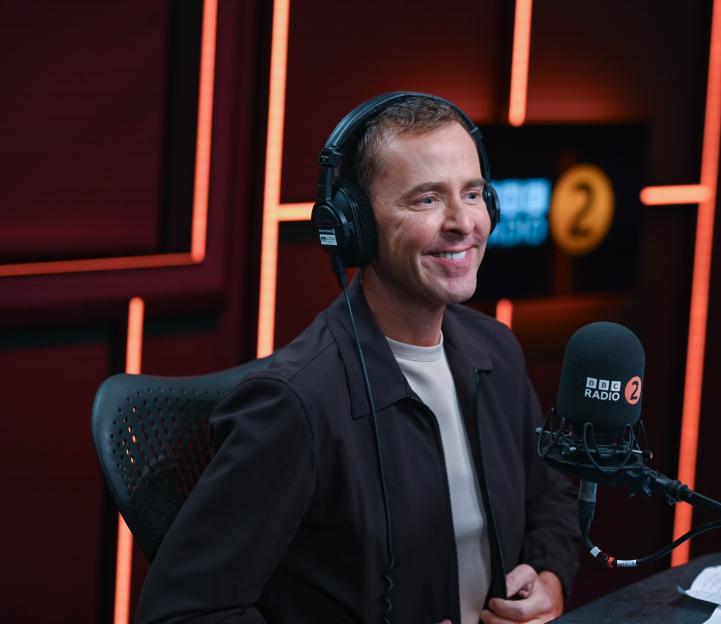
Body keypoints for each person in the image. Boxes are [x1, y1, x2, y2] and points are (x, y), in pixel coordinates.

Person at [135, 94, 579, 623]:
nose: (464, 222)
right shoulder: (295, 405)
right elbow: (182, 614)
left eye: (474, 193)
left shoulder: (495, 353)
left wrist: (550, 580)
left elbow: (550, 495)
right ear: (354, 226)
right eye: (426, 200)